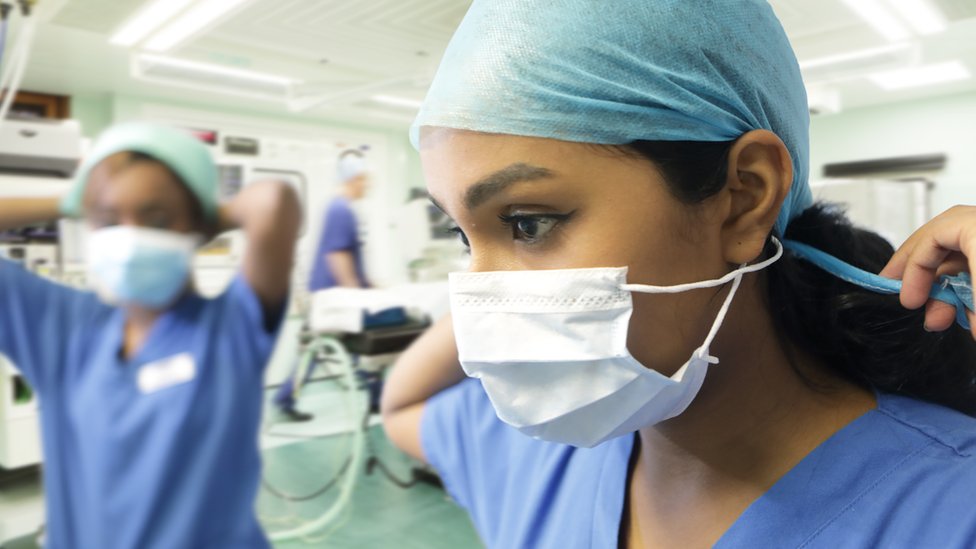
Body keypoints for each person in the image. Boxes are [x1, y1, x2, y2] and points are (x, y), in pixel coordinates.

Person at [380, 2, 976, 548]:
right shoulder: (531, 446)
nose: (482, 290)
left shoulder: (949, 513)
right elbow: (400, 405)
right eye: (461, 234)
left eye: (528, 223)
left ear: (744, 197)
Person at [0, 122, 301, 548]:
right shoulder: (63, 331)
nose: (129, 235)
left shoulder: (229, 330)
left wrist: (207, 213)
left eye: (155, 218)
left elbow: (274, 202)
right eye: (108, 220)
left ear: (195, 224)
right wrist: (70, 199)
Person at [273, 149, 370, 421]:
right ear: (353, 179)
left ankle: (374, 394)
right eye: (363, 179)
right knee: (324, 348)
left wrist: (368, 283)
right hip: (332, 294)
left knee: (332, 348)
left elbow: (349, 254)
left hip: (333, 291)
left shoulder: (341, 209)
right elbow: (337, 254)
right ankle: (284, 399)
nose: (367, 186)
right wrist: (354, 293)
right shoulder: (340, 210)